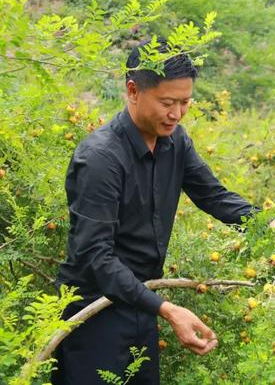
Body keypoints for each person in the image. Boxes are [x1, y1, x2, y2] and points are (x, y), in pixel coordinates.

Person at [52, 39, 259, 385]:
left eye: (185, 102)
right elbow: (96, 258)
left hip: (142, 307)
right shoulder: (101, 159)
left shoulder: (175, 142)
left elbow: (215, 197)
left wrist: (269, 226)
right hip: (92, 315)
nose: (176, 114)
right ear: (133, 91)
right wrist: (167, 309)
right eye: (167, 103)